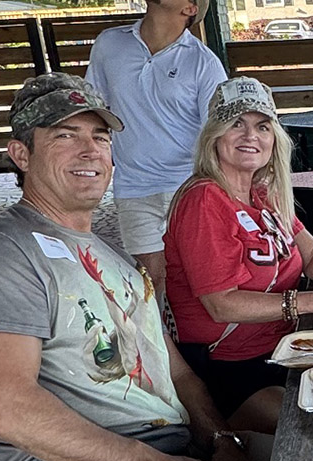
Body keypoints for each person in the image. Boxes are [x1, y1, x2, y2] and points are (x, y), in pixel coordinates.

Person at [0, 73, 265, 461]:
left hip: (169, 453)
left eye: (100, 136)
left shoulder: (111, 257)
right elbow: (2, 406)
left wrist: (220, 436)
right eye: (65, 135)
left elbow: (176, 373)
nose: (89, 150)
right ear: (20, 155)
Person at [163, 76, 313, 435]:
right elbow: (221, 304)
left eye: (262, 126)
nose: (251, 136)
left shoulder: (263, 194)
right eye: (236, 123)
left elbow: (312, 251)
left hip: (287, 349)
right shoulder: (204, 200)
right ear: (214, 135)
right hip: (231, 367)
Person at [85, 0, 227, 303]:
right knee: (150, 286)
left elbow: (219, 134)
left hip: (189, 187)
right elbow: (92, 109)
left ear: (190, 8)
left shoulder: (204, 62)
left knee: (194, 280)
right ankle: (160, 336)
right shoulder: (109, 44)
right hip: (133, 187)